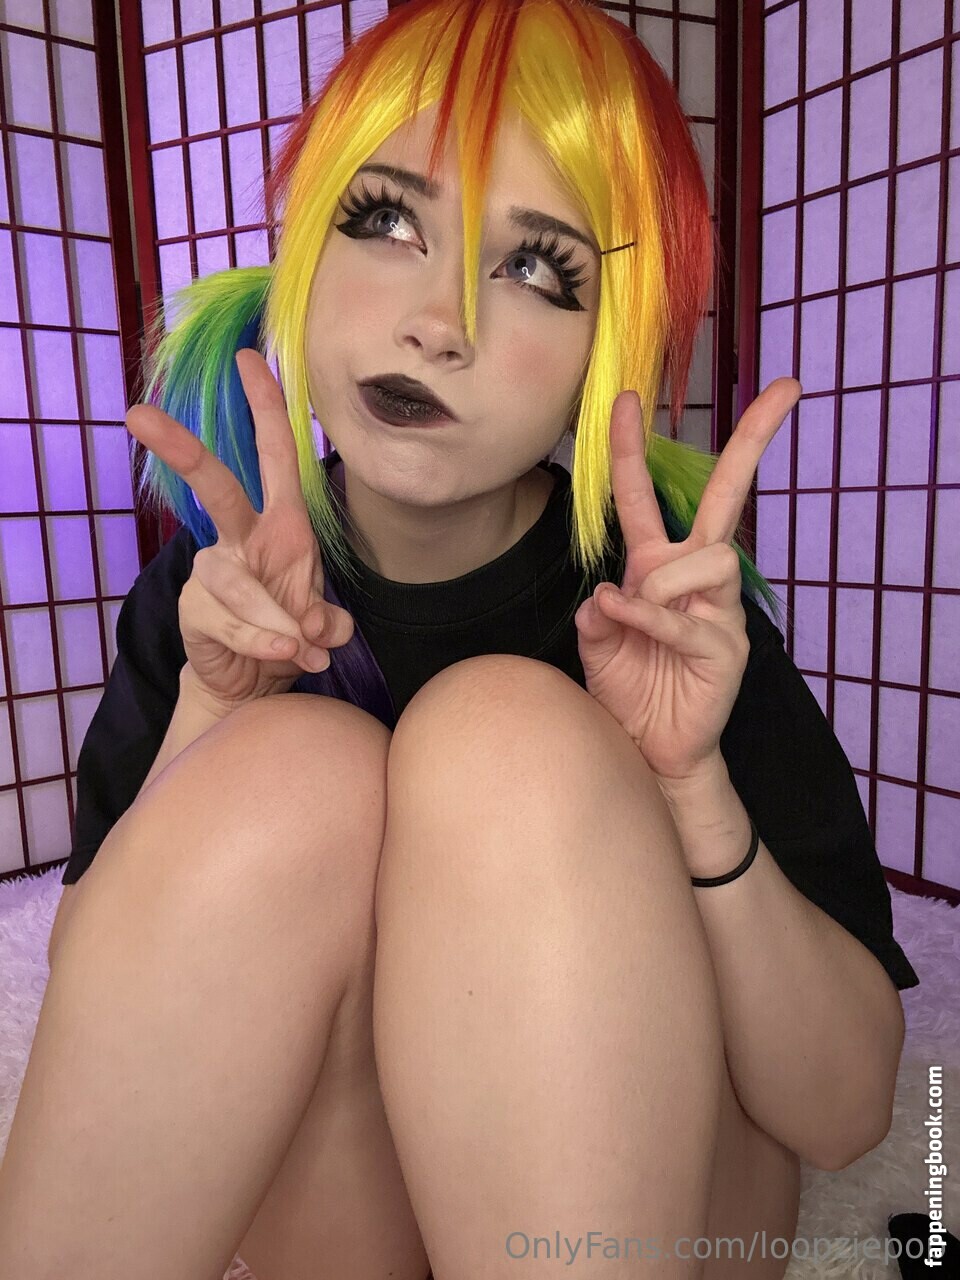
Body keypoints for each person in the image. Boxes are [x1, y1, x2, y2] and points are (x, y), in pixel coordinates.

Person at [0, 1, 917, 1277]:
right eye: (386, 220)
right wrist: (214, 716)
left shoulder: (667, 623)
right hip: (356, 1209)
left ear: (609, 347)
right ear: (303, 255)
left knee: (504, 742)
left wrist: (690, 788)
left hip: (636, 1202)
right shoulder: (210, 600)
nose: (442, 320)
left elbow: (847, 1111)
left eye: (539, 270)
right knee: (284, 766)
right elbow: (118, 1037)